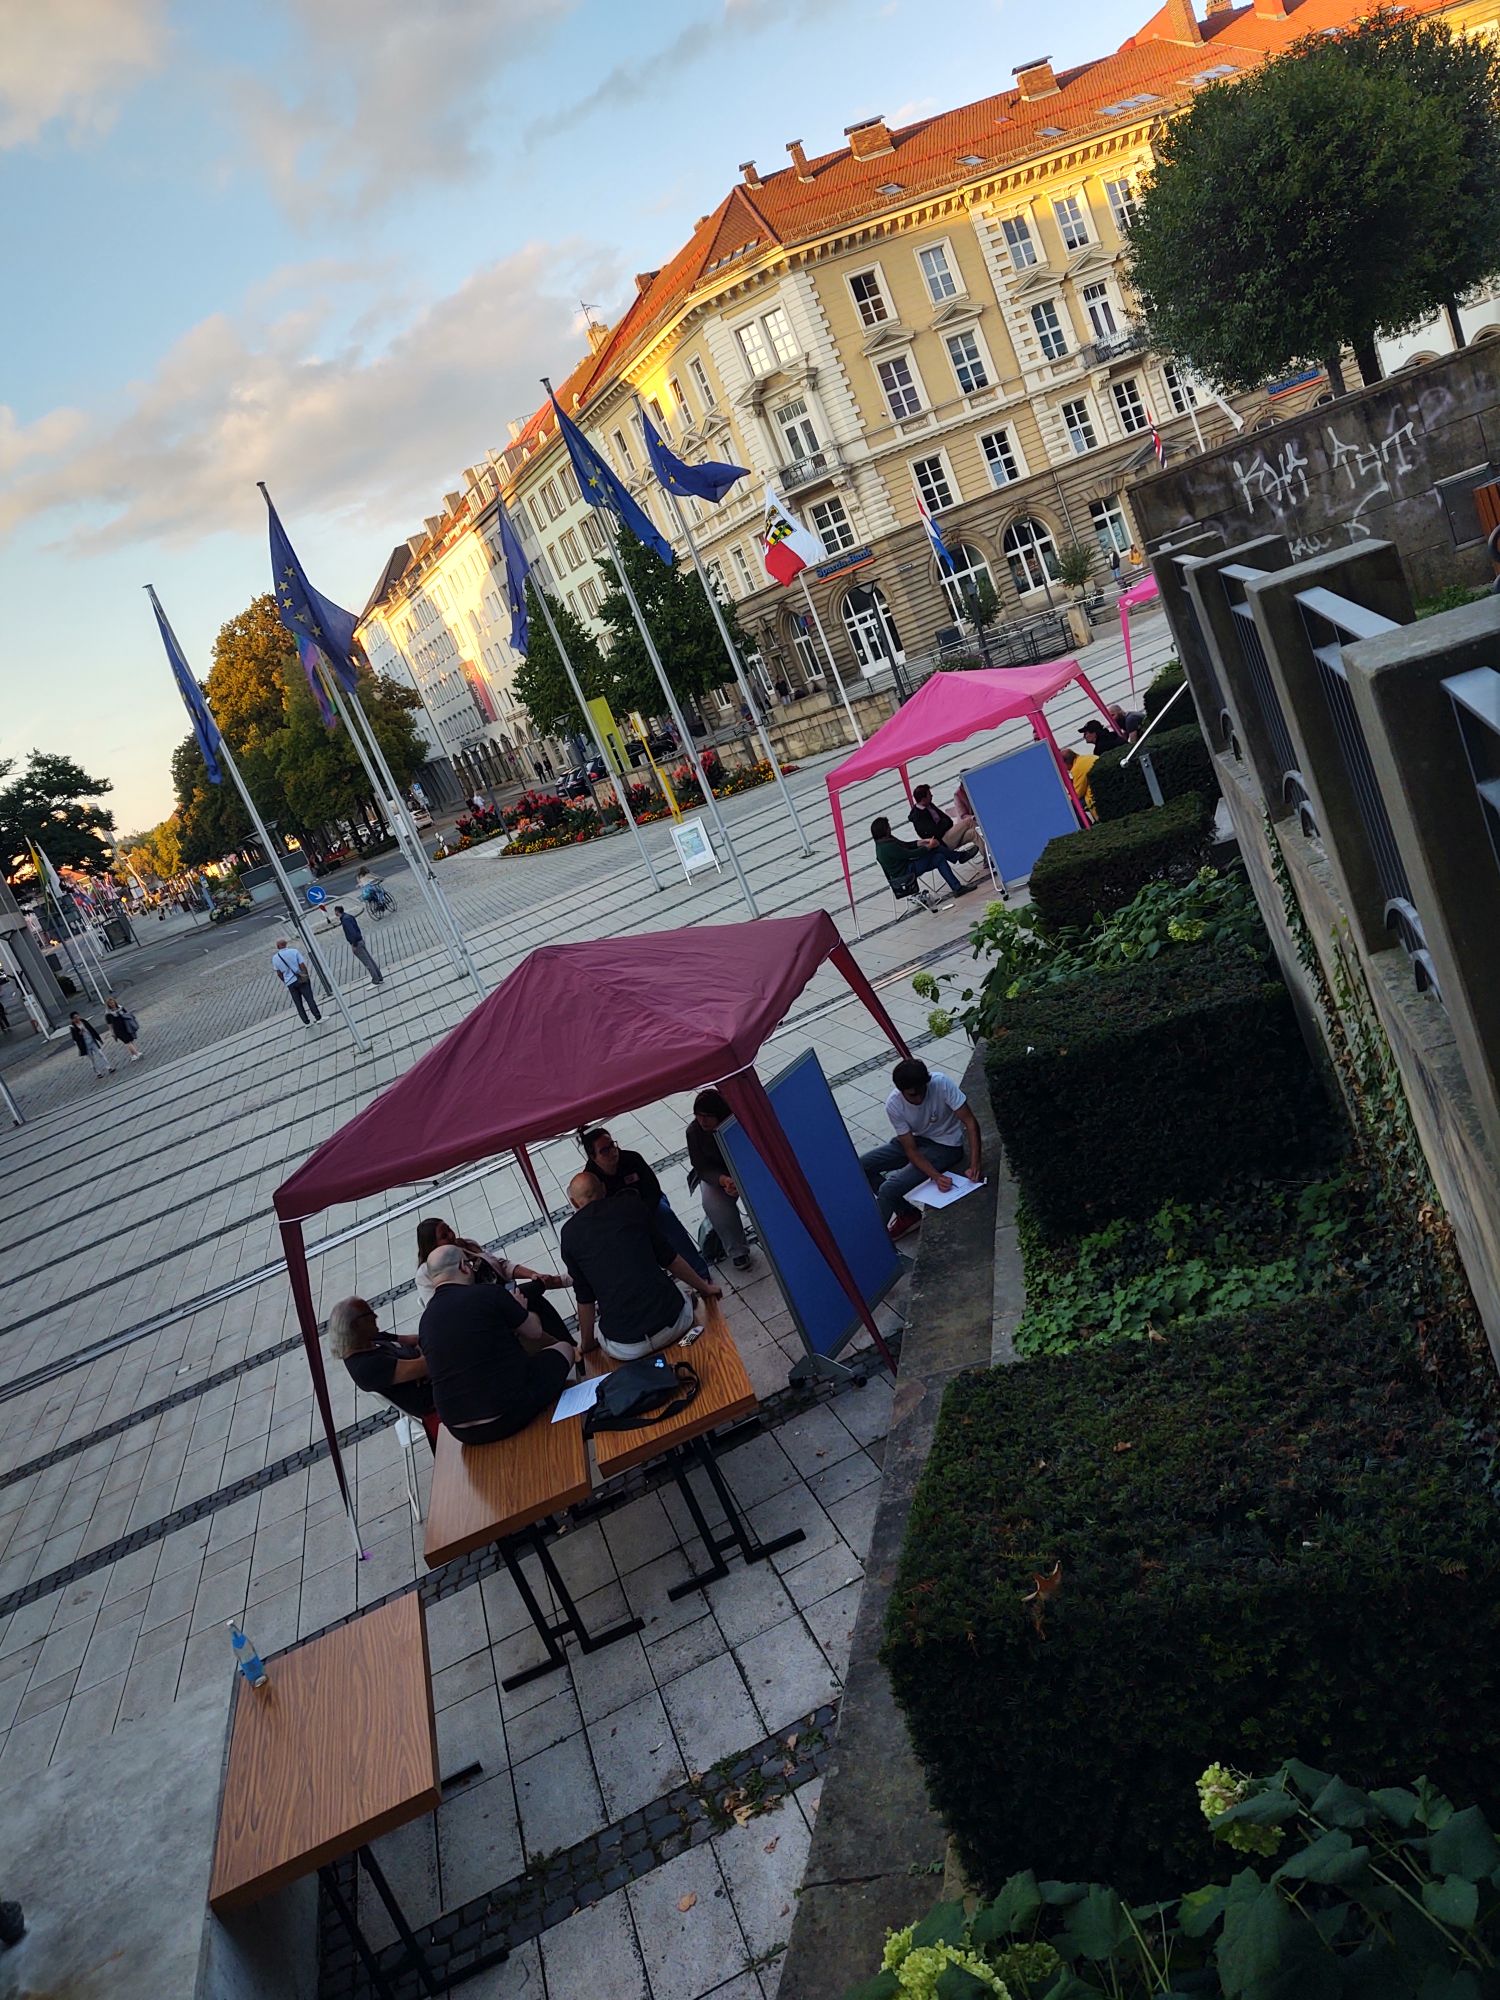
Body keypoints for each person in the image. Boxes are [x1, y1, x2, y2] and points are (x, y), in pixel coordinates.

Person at [419, 1243, 576, 1444]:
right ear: (463, 1267)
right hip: (506, 1413)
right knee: (563, 1349)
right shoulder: (488, 1293)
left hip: (459, 1430)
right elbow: (535, 1332)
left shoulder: (426, 1321)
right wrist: (521, 1309)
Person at [561, 1172, 722, 1362]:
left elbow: (585, 1298)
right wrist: (706, 1288)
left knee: (609, 1332)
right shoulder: (631, 1206)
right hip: (675, 1324)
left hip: (625, 1347)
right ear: (604, 1189)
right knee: (685, 1293)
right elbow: (670, 1258)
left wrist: (587, 1344)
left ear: (573, 1202)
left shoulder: (569, 1234)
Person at [859, 1058, 984, 1241]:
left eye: (921, 1092)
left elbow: (970, 1122)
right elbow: (911, 1150)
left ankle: (876, 1243)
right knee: (861, 1166)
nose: (918, 1099)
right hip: (917, 1142)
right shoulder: (894, 1104)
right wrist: (936, 1176)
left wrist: (975, 1164)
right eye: (911, 1095)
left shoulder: (941, 1083)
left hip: (946, 1146)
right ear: (901, 1092)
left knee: (888, 1189)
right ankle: (907, 1214)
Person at [414, 1217, 572, 1347]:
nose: (451, 1235)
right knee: (532, 1292)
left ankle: (567, 1344)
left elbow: (501, 1264)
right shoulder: (426, 1273)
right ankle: (556, 1283)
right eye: (444, 1236)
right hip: (483, 1310)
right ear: (432, 1245)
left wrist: (532, 1274)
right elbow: (439, 1309)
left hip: (503, 1294)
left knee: (534, 1297)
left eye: (449, 1229)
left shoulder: (466, 1245)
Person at [578, 1126, 711, 1280]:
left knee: (667, 1219)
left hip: (649, 1206)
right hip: (618, 1222)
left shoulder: (632, 1158)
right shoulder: (591, 1179)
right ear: (593, 1157)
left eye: (612, 1145)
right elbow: (597, 1212)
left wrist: (643, 1215)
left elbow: (653, 1189)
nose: (613, 1152)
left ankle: (700, 1272)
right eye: (604, 1151)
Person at [328, 1297, 436, 1443]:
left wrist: (421, 1353)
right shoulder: (367, 1366)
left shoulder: (370, 1338)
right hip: (434, 1399)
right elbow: (429, 1364)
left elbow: (415, 1340)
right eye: (369, 1314)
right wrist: (422, 1354)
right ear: (356, 1325)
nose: (375, 1316)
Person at [686, 1090, 753, 1271]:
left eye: (707, 1116)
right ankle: (737, 1250)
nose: (702, 1121)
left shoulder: (737, 1121)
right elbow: (701, 1166)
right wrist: (723, 1180)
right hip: (718, 1174)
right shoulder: (694, 1132)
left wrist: (742, 1178)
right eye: (698, 1116)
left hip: (747, 1168)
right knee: (714, 1203)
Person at [870, 817, 971, 900]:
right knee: (935, 850)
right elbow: (910, 854)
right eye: (888, 827)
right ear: (884, 830)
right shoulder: (887, 847)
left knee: (939, 858)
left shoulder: (883, 843)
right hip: (907, 873)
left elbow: (906, 845)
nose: (890, 828)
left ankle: (957, 887)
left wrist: (921, 842)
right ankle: (959, 857)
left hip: (907, 867)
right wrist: (928, 847)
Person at [908, 783, 978, 855]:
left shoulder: (929, 805)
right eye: (929, 794)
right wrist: (943, 824)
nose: (932, 796)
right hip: (942, 841)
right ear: (923, 799)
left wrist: (942, 824)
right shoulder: (918, 817)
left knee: (973, 833)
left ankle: (987, 858)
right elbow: (934, 833)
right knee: (969, 821)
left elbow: (948, 820)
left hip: (949, 833)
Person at [271, 938, 321, 1023]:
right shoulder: (294, 951)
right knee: (309, 999)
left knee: (298, 1004)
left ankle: (306, 1022)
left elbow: (279, 973)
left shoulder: (275, 958)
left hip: (290, 983)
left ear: (278, 946)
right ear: (286, 944)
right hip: (301, 979)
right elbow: (302, 965)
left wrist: (285, 981)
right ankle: (318, 1017)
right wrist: (306, 976)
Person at [333, 905, 383, 986]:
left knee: (367, 963)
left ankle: (376, 980)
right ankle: (379, 977)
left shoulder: (345, 920)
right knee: (370, 960)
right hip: (360, 940)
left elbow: (352, 932)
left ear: (337, 912)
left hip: (357, 943)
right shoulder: (349, 916)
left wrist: (354, 944)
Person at [69, 1010, 113, 1079]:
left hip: (92, 1041)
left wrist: (99, 1039)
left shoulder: (84, 1022)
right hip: (85, 1045)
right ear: (73, 1019)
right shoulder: (73, 1027)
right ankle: (98, 1072)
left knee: (100, 1054)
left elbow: (92, 1030)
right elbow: (75, 1038)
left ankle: (109, 1067)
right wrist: (80, 1033)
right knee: (92, 1059)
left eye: (77, 1016)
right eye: (75, 1017)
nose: (77, 1018)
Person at [103, 994, 142, 1063]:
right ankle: (136, 1053)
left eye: (113, 1002)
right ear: (108, 1005)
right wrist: (112, 1033)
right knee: (127, 1041)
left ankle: (133, 1055)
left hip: (126, 1026)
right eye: (110, 1003)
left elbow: (127, 1014)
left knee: (130, 1040)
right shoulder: (108, 1014)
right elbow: (110, 1025)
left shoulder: (120, 1008)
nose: (112, 1004)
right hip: (118, 1030)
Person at [1061, 747, 1097, 818]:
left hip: (1094, 795)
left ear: (1066, 763)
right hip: (1097, 786)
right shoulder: (1084, 758)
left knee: (1071, 806)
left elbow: (1078, 793)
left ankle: (1085, 826)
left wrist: (1066, 799)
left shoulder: (1077, 769)